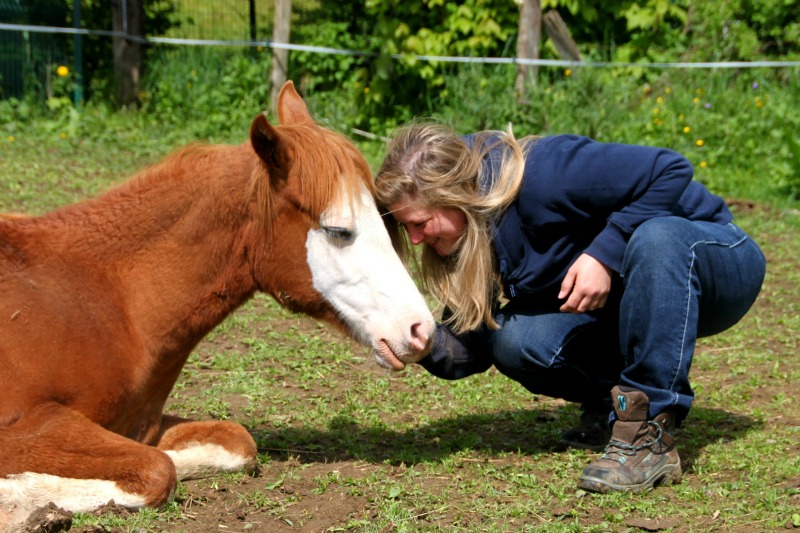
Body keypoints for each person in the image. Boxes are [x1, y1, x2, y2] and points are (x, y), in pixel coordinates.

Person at [374, 122, 766, 493]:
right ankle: (614, 406)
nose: (416, 239)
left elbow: (671, 168)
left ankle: (648, 433)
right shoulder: (473, 229)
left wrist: (603, 254)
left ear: (453, 196)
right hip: (628, 302)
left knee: (656, 237)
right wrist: (424, 343)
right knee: (515, 339)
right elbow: (474, 343)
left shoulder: (545, 171)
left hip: (714, 264)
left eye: (420, 223)